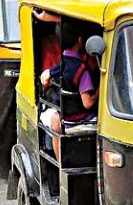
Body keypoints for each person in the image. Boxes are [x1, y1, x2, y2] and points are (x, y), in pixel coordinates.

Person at [39, 23, 99, 159]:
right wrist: (98, 92)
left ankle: (60, 161)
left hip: (63, 117)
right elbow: (87, 103)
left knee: (53, 120)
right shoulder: (81, 69)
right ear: (80, 40)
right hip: (80, 118)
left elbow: (44, 81)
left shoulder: (60, 65)